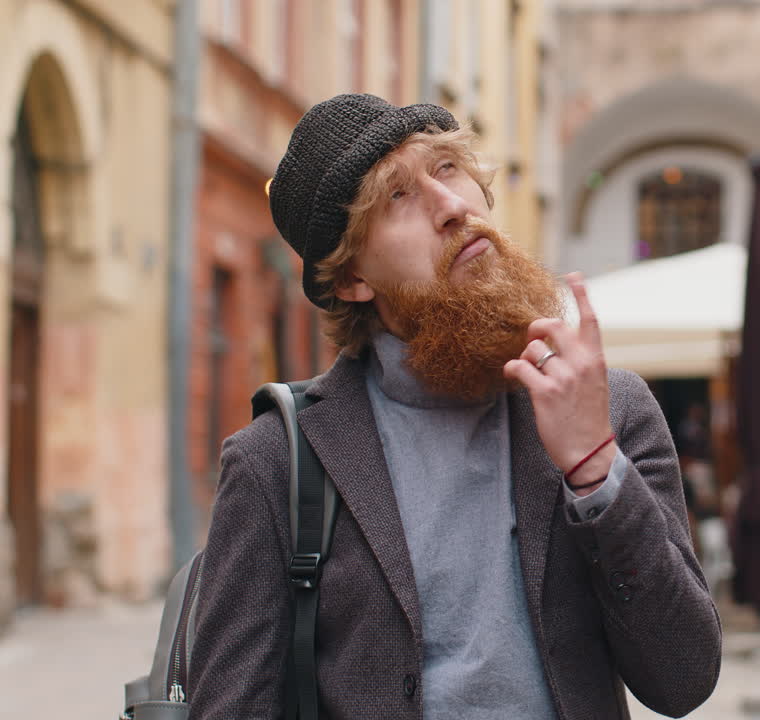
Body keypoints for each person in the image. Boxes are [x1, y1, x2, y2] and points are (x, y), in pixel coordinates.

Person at [188, 94, 721, 720]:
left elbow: (684, 680)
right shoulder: (280, 461)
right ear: (354, 279)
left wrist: (596, 472)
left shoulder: (610, 408)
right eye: (396, 197)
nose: (452, 206)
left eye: (446, 167)